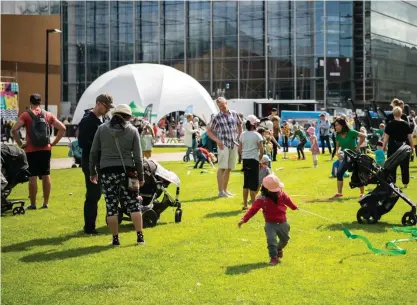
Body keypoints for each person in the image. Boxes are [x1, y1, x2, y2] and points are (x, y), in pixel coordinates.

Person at [89, 104, 145, 246]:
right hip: (128, 173)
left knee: (111, 206)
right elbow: (138, 158)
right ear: (128, 116)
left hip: (107, 172)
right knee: (133, 204)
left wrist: (92, 171)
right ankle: (140, 237)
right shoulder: (132, 131)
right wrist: (141, 176)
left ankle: (115, 239)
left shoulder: (101, 129)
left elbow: (94, 152)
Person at [11, 93, 66, 210]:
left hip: (31, 149)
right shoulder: (48, 115)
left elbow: (14, 129)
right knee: (46, 175)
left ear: (30, 102)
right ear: (40, 102)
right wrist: (53, 143)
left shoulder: (26, 115)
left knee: (32, 177)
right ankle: (45, 203)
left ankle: (33, 204)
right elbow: (63, 128)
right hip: (46, 149)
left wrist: (21, 144)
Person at [238, 175, 298, 266]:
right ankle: (273, 257)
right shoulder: (261, 199)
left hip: (283, 222)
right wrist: (244, 219)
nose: (277, 191)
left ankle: (278, 249)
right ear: (266, 190)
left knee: (285, 239)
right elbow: (253, 210)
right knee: (271, 240)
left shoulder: (281, 193)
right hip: (270, 224)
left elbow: (288, 200)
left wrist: (294, 207)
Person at [77, 93, 113, 234]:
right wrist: (99, 146)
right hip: (91, 162)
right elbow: (82, 143)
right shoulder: (88, 120)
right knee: (93, 194)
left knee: (101, 193)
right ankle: (89, 227)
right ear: (98, 103)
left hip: (103, 160)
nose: (107, 110)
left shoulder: (103, 118)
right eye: (106, 107)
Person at [207, 97, 242, 198]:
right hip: (223, 144)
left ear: (226, 103)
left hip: (233, 143)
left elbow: (239, 126)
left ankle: (225, 190)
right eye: (219, 106)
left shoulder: (234, 114)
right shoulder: (216, 117)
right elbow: (209, 130)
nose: (221, 108)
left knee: (230, 168)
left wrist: (239, 136)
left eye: (223, 105)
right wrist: (217, 140)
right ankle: (220, 192)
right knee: (222, 167)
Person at [331, 118, 366, 199]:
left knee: (358, 174)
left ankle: (362, 194)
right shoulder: (338, 135)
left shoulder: (351, 132)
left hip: (355, 156)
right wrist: (337, 153)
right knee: (339, 173)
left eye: (337, 125)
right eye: (335, 126)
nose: (335, 127)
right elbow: (337, 146)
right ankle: (339, 193)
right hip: (346, 156)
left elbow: (364, 136)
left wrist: (358, 146)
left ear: (342, 125)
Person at [383, 106, 414, 188]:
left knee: (392, 165)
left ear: (393, 113)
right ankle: (405, 183)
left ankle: (392, 182)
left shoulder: (390, 124)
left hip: (393, 146)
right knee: (405, 166)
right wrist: (412, 147)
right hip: (404, 146)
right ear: (401, 113)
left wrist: (383, 146)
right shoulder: (405, 124)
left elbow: (386, 137)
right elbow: (409, 137)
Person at [238, 115, 263, 210]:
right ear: (253, 124)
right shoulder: (257, 135)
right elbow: (261, 150)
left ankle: (245, 205)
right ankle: (254, 206)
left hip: (246, 160)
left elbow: (239, 149)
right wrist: (259, 159)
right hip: (254, 160)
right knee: (254, 184)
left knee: (246, 183)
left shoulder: (243, 134)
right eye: (256, 123)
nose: (257, 124)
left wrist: (245, 154)